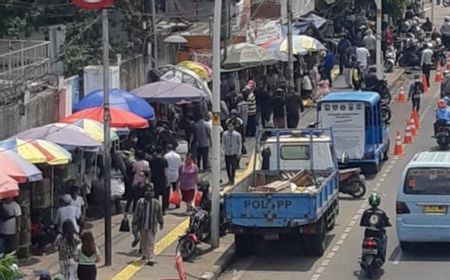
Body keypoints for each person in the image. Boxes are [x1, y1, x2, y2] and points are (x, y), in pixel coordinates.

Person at [133, 184, 164, 266]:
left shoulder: (156, 203)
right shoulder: (140, 202)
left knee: (151, 241)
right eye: (147, 191)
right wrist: (134, 224)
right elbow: (136, 214)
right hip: (142, 225)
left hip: (151, 226)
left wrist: (161, 222)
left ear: (153, 193)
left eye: (151, 191)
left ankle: (150, 257)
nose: (149, 193)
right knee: (143, 241)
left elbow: (159, 214)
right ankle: (144, 254)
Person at [360, 193, 391, 262]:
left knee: (365, 241)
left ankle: (363, 255)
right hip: (378, 234)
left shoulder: (366, 212)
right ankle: (381, 256)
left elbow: (362, 223)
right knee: (384, 239)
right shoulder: (382, 212)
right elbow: (387, 223)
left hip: (368, 233)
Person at [150, 147, 169, 215]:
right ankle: (163, 210)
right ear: (162, 152)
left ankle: (156, 209)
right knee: (164, 195)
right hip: (162, 179)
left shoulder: (152, 160)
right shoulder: (164, 160)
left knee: (156, 195)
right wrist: (167, 180)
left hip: (154, 179)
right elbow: (165, 171)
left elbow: (150, 171)